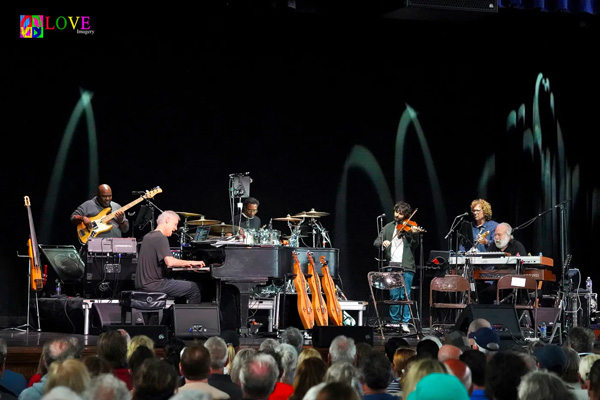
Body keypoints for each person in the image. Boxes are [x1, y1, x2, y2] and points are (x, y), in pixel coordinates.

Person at [135, 210, 205, 303]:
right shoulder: (161, 237)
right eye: (175, 224)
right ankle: (189, 317)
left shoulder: (148, 236)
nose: (176, 228)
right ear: (167, 220)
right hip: (155, 285)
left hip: (142, 284)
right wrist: (192, 262)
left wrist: (183, 264)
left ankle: (173, 316)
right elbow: (170, 262)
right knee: (194, 288)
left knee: (181, 287)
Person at [373, 201, 421, 333]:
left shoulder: (410, 227)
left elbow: (414, 246)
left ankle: (404, 322)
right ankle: (395, 322)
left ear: (406, 215)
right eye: (396, 212)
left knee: (405, 295)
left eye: (401, 213)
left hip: (407, 266)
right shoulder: (388, 227)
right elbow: (376, 242)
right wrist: (384, 242)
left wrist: (415, 234)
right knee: (394, 295)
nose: (397, 215)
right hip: (392, 266)